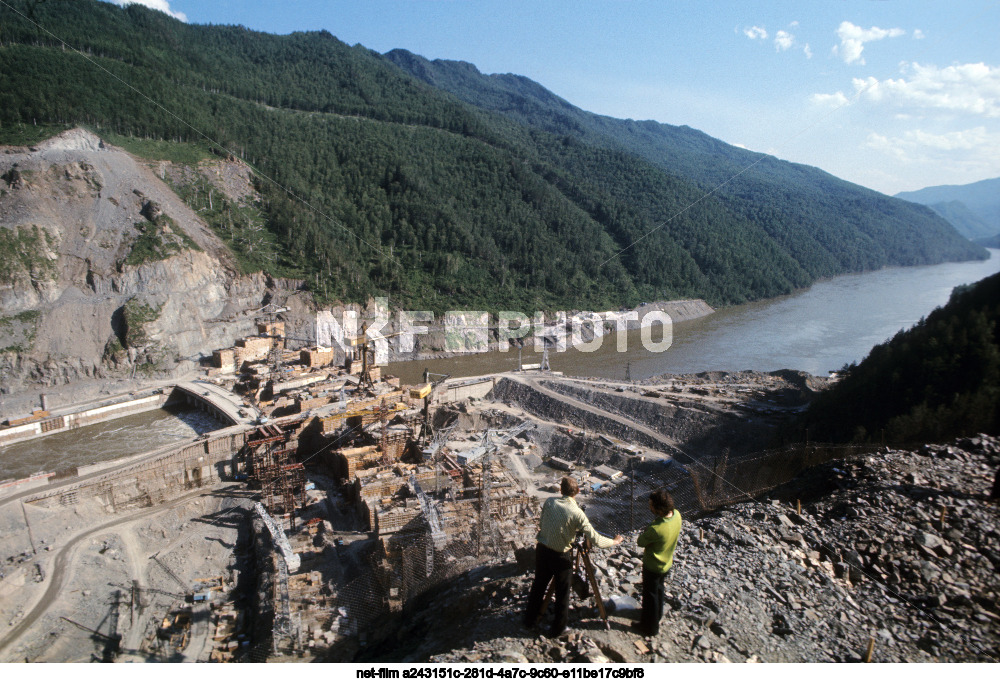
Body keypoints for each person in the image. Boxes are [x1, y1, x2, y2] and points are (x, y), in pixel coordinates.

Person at [523, 476, 623, 638]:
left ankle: (529, 619)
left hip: (542, 549)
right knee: (563, 592)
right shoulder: (577, 513)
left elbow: (542, 524)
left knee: (539, 585)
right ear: (577, 491)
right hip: (560, 555)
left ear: (560, 490)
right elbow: (596, 540)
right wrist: (614, 542)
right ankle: (558, 628)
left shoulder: (549, 502)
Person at [634, 489, 682, 638]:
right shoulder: (677, 516)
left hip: (653, 566)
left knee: (650, 596)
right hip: (667, 562)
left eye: (651, 505)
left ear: (658, 508)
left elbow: (640, 542)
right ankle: (658, 615)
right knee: (659, 592)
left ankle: (649, 627)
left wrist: (647, 531)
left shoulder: (656, 529)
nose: (650, 507)